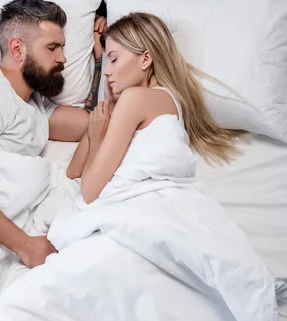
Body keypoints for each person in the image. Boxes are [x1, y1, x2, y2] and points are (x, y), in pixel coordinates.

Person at [0, 0, 106, 268]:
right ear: (17, 49)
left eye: (62, 48)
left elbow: (92, 123)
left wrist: (101, 61)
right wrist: (25, 246)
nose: (62, 59)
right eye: (52, 48)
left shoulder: (36, 107)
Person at [66, 12, 244, 203]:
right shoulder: (169, 100)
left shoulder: (134, 99)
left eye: (114, 59)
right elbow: (73, 171)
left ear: (145, 59)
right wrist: (109, 106)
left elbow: (89, 192)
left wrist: (96, 139)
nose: (107, 72)